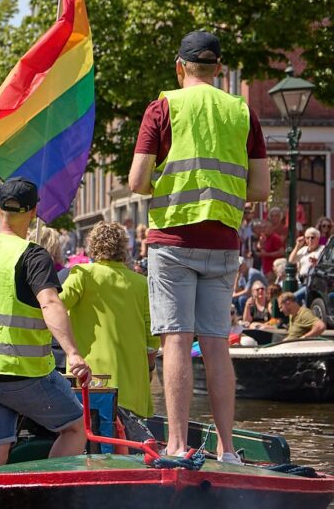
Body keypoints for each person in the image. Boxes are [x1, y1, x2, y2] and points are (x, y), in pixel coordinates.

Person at [128, 31, 269, 464]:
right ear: (219, 69)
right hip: (223, 242)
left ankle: (175, 444)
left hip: (173, 240)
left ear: (180, 67)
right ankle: (227, 449)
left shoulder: (163, 108)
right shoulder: (242, 112)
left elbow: (136, 181)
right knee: (216, 345)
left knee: (176, 340)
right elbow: (260, 189)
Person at [0, 177, 92, 468]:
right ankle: (48, 490)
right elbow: (50, 303)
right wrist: (72, 353)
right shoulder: (32, 255)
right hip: (25, 373)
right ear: (33, 213)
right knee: (76, 428)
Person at [59, 222, 159, 440]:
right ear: (124, 248)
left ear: (92, 246)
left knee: (91, 438)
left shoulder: (82, 275)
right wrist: (150, 367)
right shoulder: (141, 283)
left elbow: (56, 306)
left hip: (91, 379)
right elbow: (152, 338)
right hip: (131, 380)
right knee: (127, 441)